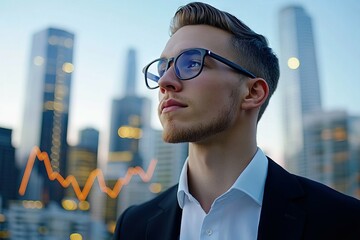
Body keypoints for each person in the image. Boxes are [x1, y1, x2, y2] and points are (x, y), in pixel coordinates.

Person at [113, 2, 360, 239]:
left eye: (191, 63)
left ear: (252, 93)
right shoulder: (133, 226)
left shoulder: (343, 221)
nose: (165, 81)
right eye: (163, 67)